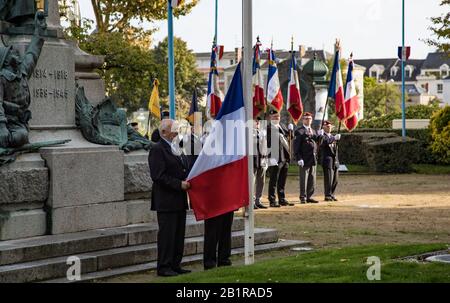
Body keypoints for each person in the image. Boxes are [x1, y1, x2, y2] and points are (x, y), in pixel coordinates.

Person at [148, 119, 192, 277]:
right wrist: (179, 184)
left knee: (179, 235)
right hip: (166, 201)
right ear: (164, 132)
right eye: (174, 129)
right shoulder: (157, 149)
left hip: (180, 200)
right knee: (167, 235)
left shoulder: (177, 147)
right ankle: (164, 266)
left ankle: (175, 264)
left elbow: (184, 167)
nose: (177, 131)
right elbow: (158, 176)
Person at [0, 11, 46, 148]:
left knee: (22, 136)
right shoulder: (2, 78)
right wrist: (1, 126)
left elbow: (33, 52)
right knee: (18, 136)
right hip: (5, 123)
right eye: (12, 53)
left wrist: (40, 30)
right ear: (6, 60)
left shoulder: (23, 71)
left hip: (17, 122)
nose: (15, 53)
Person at [267, 109, 294, 207]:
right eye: (274, 117)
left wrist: (291, 130)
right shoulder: (268, 128)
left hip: (285, 157)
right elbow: (267, 144)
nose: (276, 118)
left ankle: (282, 198)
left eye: (277, 117)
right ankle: (272, 200)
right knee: (274, 180)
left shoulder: (282, 126)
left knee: (282, 179)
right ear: (270, 117)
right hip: (275, 157)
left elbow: (290, 138)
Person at [293, 112, 322, 204]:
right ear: (303, 120)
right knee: (304, 178)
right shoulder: (299, 131)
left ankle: (310, 196)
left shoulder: (313, 131)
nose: (308, 120)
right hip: (304, 158)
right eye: (306, 118)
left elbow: (317, 142)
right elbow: (296, 147)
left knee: (312, 178)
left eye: (309, 118)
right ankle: (303, 196)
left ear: (311, 120)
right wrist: (298, 158)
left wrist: (320, 135)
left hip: (313, 158)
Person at [319, 121, 341, 201]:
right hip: (327, 160)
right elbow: (324, 142)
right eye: (327, 126)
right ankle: (327, 195)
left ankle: (332, 194)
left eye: (330, 126)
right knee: (328, 178)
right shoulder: (322, 136)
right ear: (323, 127)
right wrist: (334, 138)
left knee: (335, 179)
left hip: (335, 160)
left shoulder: (332, 136)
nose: (329, 128)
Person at [253, 117, 268, 209]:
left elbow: (265, 147)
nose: (257, 123)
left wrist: (266, 158)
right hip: (253, 160)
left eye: (258, 121)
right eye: (255, 121)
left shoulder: (262, 132)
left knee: (261, 181)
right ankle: (251, 201)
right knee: (252, 181)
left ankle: (258, 200)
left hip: (262, 160)